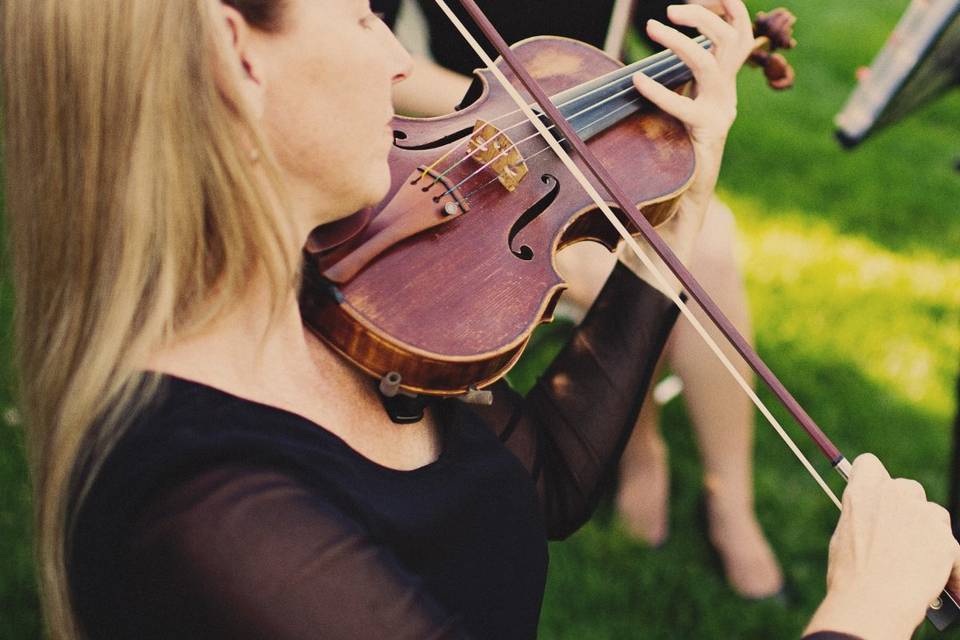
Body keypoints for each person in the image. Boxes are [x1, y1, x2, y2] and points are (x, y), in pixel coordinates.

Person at [1, 1, 957, 638]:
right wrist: (862, 614)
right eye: (365, 14)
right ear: (234, 54)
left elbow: (541, 478)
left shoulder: (330, 294)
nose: (393, 63)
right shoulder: (205, 514)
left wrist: (682, 206)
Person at [383, 0, 783, 598]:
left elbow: (662, 24)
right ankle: (640, 446)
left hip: (596, 137)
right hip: (466, 148)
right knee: (611, 275)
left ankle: (732, 499)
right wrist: (509, 109)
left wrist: (715, 36)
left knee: (713, 245)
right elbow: (377, 52)